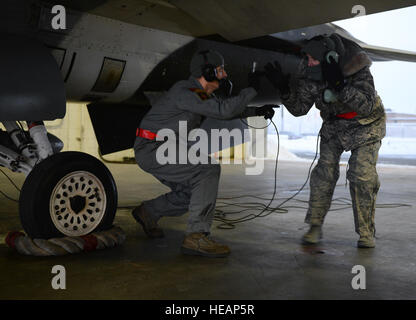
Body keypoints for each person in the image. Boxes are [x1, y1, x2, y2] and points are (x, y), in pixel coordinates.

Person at [133, 49, 276, 257]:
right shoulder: (185, 91)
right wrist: (252, 89)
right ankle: (196, 236)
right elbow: (223, 110)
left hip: (161, 147)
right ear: (207, 72)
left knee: (192, 193)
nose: (225, 75)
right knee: (207, 170)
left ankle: (149, 212)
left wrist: (255, 111)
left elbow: (219, 109)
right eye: (220, 71)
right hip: (154, 148)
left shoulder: (195, 92)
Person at [264, 34, 386, 248]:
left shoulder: (357, 68)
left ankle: (366, 233)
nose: (308, 62)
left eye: (313, 59)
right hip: (334, 125)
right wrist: (284, 88)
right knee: (324, 173)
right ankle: (314, 226)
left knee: (361, 176)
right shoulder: (310, 72)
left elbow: (365, 105)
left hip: (365, 124)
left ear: (329, 57)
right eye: (308, 58)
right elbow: (300, 109)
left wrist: (339, 85)